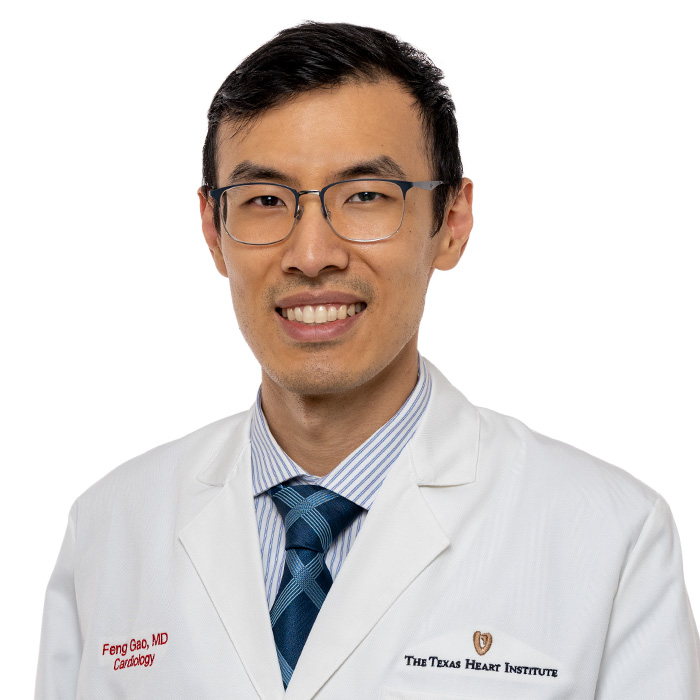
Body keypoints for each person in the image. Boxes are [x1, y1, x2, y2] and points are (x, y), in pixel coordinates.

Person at [35, 21, 700, 700]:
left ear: (451, 221)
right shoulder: (110, 528)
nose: (311, 255)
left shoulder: (610, 539)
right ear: (213, 230)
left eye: (364, 196)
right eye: (265, 201)